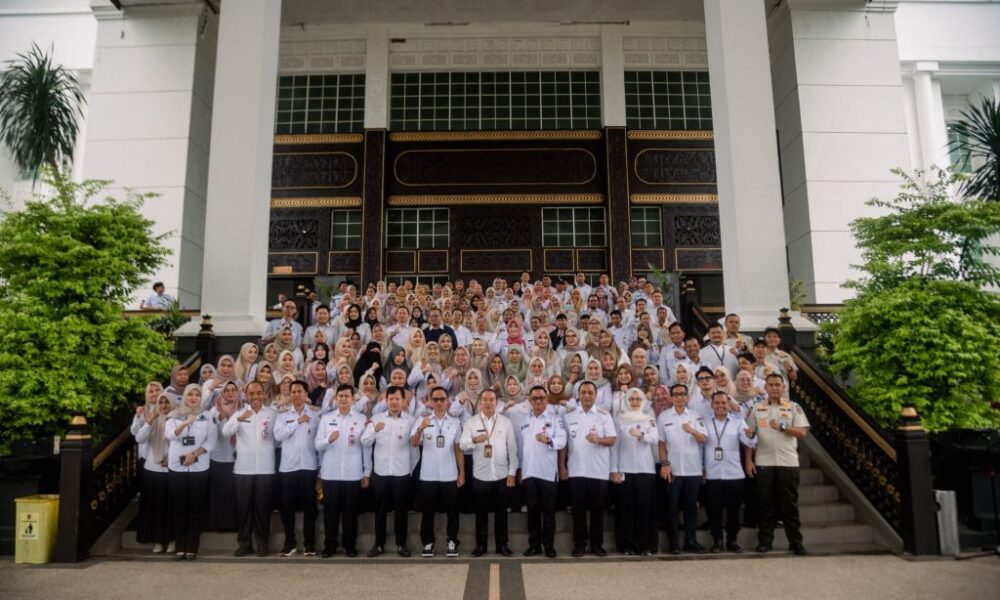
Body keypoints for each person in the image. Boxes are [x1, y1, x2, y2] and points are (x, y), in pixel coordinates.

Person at [744, 374, 810, 555]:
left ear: (783, 387)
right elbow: (750, 436)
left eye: (777, 385)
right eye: (771, 385)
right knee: (766, 504)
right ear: (765, 387)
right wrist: (749, 460)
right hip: (764, 462)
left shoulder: (793, 407)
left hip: (788, 462)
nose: (774, 388)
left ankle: (795, 542)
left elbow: (802, 432)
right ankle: (765, 541)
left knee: (789, 504)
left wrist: (783, 427)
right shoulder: (757, 408)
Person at [459, 388, 518, 557]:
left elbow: (512, 449)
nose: (488, 403)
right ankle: (481, 546)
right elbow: (462, 444)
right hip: (480, 475)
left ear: (497, 403)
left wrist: (512, 472)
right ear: (480, 403)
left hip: (501, 475)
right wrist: (474, 440)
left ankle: (502, 545)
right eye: (484, 399)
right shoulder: (471, 422)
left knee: (501, 514)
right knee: (481, 514)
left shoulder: (505, 422)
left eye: (491, 400)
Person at [314, 384, 371, 558]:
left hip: (353, 473)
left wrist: (367, 472)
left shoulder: (361, 419)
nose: (344, 399)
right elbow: (317, 444)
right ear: (336, 398)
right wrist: (328, 440)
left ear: (353, 399)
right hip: (330, 474)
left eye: (347, 396)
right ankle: (330, 545)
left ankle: (350, 545)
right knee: (330, 513)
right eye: (341, 396)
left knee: (350, 513)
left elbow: (366, 447)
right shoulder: (327, 418)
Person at [561, 380, 617, 557]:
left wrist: (598, 440)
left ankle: (596, 544)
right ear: (578, 395)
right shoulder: (569, 416)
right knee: (577, 511)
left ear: (596, 395)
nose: (586, 395)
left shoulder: (604, 415)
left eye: (590, 393)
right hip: (576, 470)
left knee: (597, 511)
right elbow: (564, 444)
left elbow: (612, 439)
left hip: (598, 471)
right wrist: (562, 466)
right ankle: (579, 544)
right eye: (583, 392)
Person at [222, 381, 276, 557]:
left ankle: (262, 543)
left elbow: (278, 437)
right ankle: (244, 544)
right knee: (244, 509)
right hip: (243, 470)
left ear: (263, 394)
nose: (255, 397)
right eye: (251, 393)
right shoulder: (239, 414)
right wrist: (238, 419)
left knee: (263, 509)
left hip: (266, 469)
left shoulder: (272, 414)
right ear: (246, 395)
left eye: (258, 393)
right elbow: (226, 432)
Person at [362, 385, 417, 557]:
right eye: (391, 399)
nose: (394, 402)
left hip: (402, 472)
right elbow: (365, 441)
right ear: (386, 401)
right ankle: (379, 544)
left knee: (401, 509)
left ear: (403, 401)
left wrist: (410, 470)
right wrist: (374, 430)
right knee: (380, 510)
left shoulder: (410, 420)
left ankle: (401, 544)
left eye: (397, 399)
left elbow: (414, 448)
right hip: (381, 472)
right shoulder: (376, 419)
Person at [410, 386, 465, 558]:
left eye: (442, 399)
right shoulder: (423, 420)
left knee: (452, 511)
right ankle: (428, 543)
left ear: (448, 401)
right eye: (436, 399)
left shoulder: (455, 422)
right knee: (428, 511)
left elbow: (458, 449)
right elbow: (413, 443)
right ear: (430, 401)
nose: (439, 402)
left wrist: (462, 473)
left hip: (450, 473)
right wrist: (421, 428)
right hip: (428, 474)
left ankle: (452, 541)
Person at [164, 384, 217, 560]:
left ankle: (191, 547)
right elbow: (170, 436)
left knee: (195, 507)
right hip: (177, 466)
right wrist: (185, 422)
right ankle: (180, 546)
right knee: (179, 507)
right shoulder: (173, 415)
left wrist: (194, 455)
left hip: (198, 465)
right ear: (185, 396)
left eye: (197, 395)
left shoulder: (207, 416)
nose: (194, 398)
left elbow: (211, 441)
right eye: (190, 394)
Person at [657, 383, 708, 554]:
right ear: (671, 398)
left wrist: (692, 430)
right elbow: (661, 443)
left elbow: (704, 438)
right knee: (671, 508)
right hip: (673, 470)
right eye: (676, 395)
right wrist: (665, 464)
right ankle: (674, 544)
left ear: (687, 397)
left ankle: (690, 541)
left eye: (682, 394)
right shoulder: (664, 416)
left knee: (690, 508)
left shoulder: (695, 415)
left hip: (693, 470)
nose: (679, 398)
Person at [704, 391, 756, 553]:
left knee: (734, 510)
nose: (720, 406)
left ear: (728, 404)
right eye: (717, 403)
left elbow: (748, 441)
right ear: (712, 405)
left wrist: (751, 436)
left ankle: (732, 540)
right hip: (712, 473)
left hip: (734, 473)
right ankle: (717, 540)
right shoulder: (704, 422)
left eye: (723, 403)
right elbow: (700, 446)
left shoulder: (738, 421)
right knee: (714, 509)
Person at [272, 380, 320, 557]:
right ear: (289, 394)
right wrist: (297, 422)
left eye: (300, 391)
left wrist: (320, 466)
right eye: (293, 391)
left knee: (310, 507)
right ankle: (289, 543)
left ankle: (309, 543)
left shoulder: (315, 415)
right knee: (287, 508)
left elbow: (318, 442)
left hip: (309, 466)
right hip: (288, 468)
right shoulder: (283, 415)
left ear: (306, 394)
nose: (296, 394)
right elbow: (278, 435)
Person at [517, 385, 566, 557]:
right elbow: (521, 447)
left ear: (547, 400)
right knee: (532, 512)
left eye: (541, 398)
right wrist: (519, 469)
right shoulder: (524, 420)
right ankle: (534, 545)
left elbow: (562, 441)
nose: (538, 401)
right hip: (529, 472)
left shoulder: (555, 419)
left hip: (548, 473)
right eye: (534, 398)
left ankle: (549, 546)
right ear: (530, 400)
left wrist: (549, 440)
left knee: (549, 513)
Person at [611, 388, 659, 555]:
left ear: (643, 401)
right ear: (626, 401)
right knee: (626, 509)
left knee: (646, 509)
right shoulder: (619, 419)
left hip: (646, 470)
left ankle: (646, 546)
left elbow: (654, 438)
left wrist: (641, 434)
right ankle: (627, 545)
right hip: (625, 469)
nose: (635, 402)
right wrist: (614, 469)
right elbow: (615, 446)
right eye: (631, 399)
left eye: (638, 399)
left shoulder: (648, 419)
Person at [133, 392, 174, 554]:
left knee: (171, 507)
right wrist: (149, 422)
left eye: (167, 402)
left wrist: (170, 458)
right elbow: (140, 439)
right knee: (155, 508)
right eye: (161, 402)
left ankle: (172, 540)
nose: (164, 405)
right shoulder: (151, 419)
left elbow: (180, 442)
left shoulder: (177, 419)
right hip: (153, 469)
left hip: (172, 469)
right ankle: (157, 541)